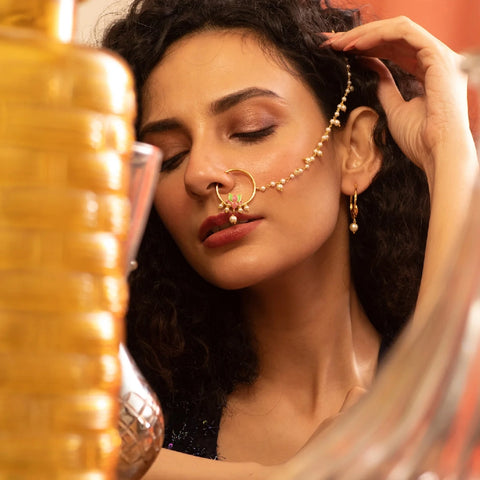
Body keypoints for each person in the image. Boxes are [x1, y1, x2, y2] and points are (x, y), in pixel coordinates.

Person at [102, 0, 478, 478]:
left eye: (250, 130)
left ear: (357, 150)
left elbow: (437, 423)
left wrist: (447, 147)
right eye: (171, 157)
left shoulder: (456, 381)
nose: (199, 174)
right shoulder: (123, 421)